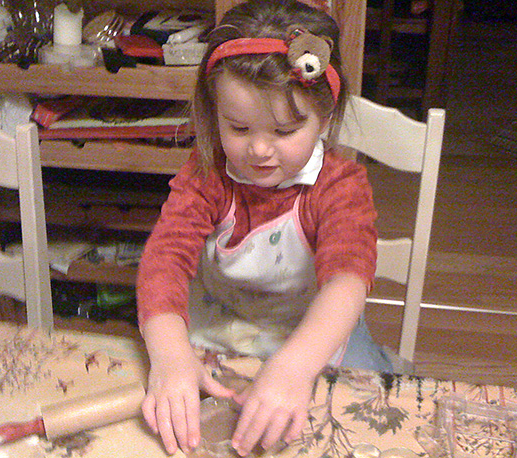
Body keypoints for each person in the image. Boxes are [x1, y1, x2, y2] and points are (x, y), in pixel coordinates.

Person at [136, 0, 392, 455]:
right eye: (238, 128)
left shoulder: (340, 187)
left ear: (324, 118)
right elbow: (163, 261)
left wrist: (295, 367)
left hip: (310, 334)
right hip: (219, 327)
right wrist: (171, 356)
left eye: (285, 131)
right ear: (213, 113)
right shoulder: (207, 174)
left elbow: (348, 282)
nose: (258, 150)